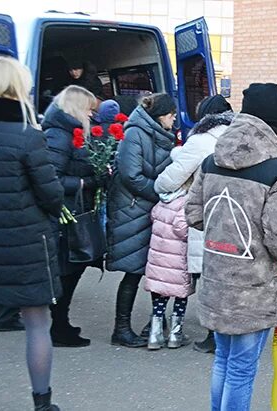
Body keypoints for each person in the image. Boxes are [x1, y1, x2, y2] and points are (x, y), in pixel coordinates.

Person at [185, 83, 277, 411]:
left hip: (217, 280)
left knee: (223, 363)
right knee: (242, 370)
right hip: (253, 288)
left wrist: (224, 233)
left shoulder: (210, 162)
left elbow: (193, 214)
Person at [0, 56, 64, 411]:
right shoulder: (28, 135)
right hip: (24, 244)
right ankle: (42, 403)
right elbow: (51, 194)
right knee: (37, 322)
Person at [147, 94, 234, 354]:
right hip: (235, 215)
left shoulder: (200, 142)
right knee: (228, 275)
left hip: (203, 215)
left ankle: (210, 335)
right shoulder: (240, 139)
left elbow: (167, 181)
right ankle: (225, 333)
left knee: (207, 276)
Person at [107, 93, 177, 348]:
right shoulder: (136, 133)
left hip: (149, 210)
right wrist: (161, 192)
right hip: (133, 211)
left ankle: (157, 323)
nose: (174, 120)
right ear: (160, 115)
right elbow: (131, 175)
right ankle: (121, 328)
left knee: (156, 270)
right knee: (133, 272)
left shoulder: (157, 134)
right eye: (171, 115)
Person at [43, 85, 105, 348]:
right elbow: (51, 177)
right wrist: (85, 182)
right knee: (67, 271)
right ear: (76, 108)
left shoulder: (70, 132)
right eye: (89, 110)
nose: (92, 115)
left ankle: (61, 323)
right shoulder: (59, 134)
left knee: (72, 268)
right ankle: (58, 327)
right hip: (65, 215)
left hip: (75, 211)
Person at [143, 147, 194, 350]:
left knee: (159, 297)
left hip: (158, 260)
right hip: (178, 261)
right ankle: (175, 334)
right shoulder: (185, 202)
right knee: (180, 297)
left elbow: (154, 218)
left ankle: (155, 335)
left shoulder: (164, 198)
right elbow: (182, 229)